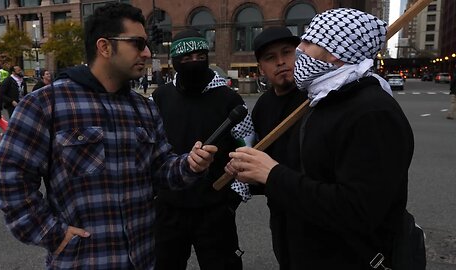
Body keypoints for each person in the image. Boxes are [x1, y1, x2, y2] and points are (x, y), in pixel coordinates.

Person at [0, 3, 217, 270]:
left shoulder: (145, 107)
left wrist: (189, 164)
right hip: (83, 261)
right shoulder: (46, 103)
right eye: (137, 43)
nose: (147, 52)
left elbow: (160, 169)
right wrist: (52, 233)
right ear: (105, 47)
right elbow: (9, 179)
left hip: (143, 259)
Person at [225, 8, 414, 269]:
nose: (299, 50)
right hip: (302, 249)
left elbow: (358, 211)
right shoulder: (324, 102)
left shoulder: (372, 112)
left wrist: (272, 174)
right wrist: (253, 172)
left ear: (336, 51)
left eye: (309, 42)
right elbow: (307, 174)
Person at [150, 28, 254, 270]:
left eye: (200, 56)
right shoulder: (160, 97)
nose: (194, 63)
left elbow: (247, 148)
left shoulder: (229, 99)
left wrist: (233, 198)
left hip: (215, 210)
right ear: (174, 61)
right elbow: (150, 149)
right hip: (168, 210)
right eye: (185, 59)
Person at [249, 26, 307, 268]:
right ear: (261, 68)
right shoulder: (263, 105)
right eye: (271, 58)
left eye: (287, 52)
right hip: (279, 206)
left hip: (313, 204)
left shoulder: (316, 96)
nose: (281, 62)